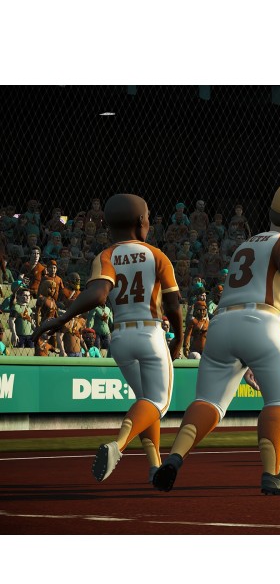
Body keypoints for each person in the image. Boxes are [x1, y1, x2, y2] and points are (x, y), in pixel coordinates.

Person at [152, 179, 280, 495]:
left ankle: (174, 458)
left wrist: (249, 358)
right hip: (262, 321)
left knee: (209, 401)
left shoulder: (248, 244)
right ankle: (272, 473)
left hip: (222, 325)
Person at [33, 194, 183, 482]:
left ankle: (155, 466)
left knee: (145, 402)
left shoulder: (106, 256)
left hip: (120, 338)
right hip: (150, 332)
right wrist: (177, 340)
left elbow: (98, 294)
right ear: (141, 221)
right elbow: (174, 303)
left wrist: (63, 318)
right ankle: (118, 445)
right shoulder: (156, 254)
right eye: (147, 217)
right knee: (159, 403)